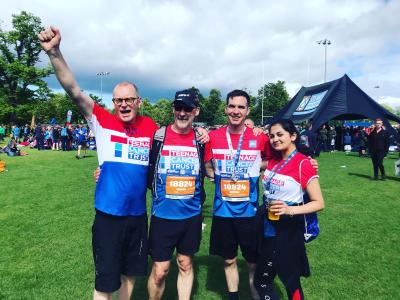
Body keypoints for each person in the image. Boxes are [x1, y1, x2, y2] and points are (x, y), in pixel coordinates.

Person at [39, 26, 158, 300]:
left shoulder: (151, 127)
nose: (124, 105)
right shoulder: (101, 119)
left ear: (139, 101)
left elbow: (175, 139)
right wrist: (55, 52)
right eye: (119, 100)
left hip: (138, 216)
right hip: (108, 217)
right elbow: (74, 89)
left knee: (130, 276)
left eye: (129, 99)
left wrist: (200, 133)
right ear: (113, 102)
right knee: (105, 282)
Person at [204, 89, 274, 300]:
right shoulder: (213, 137)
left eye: (241, 107)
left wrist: (308, 162)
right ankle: (233, 296)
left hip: (249, 212)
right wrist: (212, 174)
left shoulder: (259, 137)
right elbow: (207, 165)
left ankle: (255, 295)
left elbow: (273, 160)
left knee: (253, 261)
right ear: (226, 109)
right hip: (223, 211)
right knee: (228, 260)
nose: (236, 111)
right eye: (232, 106)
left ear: (247, 110)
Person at [254, 119, 324, 300]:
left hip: (289, 229)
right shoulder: (273, 160)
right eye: (271, 136)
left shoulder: (304, 164)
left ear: (293, 136)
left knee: (282, 280)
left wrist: (289, 210)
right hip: (269, 225)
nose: (275, 139)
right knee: (273, 280)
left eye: (280, 135)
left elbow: (319, 202)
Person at [147, 89, 206, 300]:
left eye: (187, 109)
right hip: (163, 215)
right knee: (160, 271)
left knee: (185, 263)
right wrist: (105, 171)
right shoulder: (158, 136)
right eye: (178, 108)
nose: (182, 113)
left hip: (191, 215)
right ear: (174, 109)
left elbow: (212, 167)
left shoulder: (201, 140)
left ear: (195, 111)